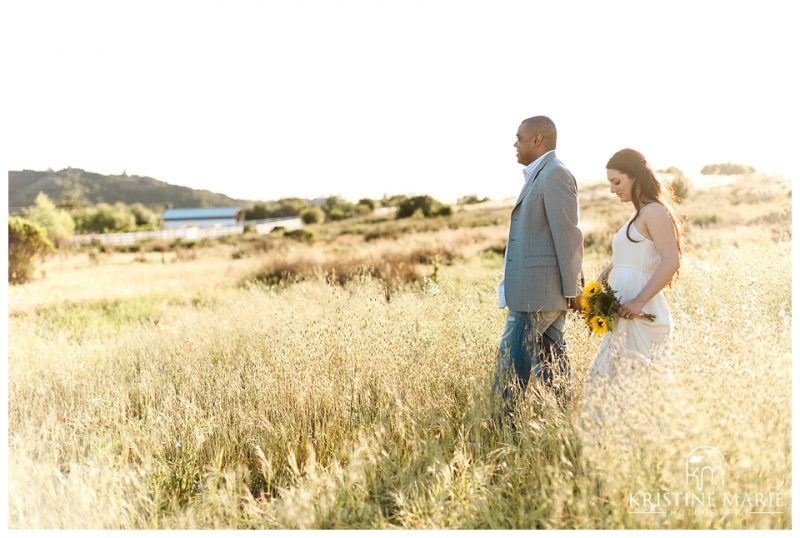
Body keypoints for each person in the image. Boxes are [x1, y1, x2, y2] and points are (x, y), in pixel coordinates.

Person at [581, 148, 684, 434]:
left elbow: (671, 260)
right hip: (623, 314)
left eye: (617, 182)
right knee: (606, 382)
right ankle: (607, 447)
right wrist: (603, 280)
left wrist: (639, 300)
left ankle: (638, 446)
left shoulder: (654, 211)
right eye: (610, 184)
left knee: (638, 387)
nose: (613, 190)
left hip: (641, 313)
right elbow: (630, 259)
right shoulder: (638, 215)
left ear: (635, 176)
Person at [492, 116, 584, 422]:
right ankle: (565, 426)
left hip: (538, 297)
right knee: (553, 365)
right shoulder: (540, 175)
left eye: (519, 138)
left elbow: (568, 235)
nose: (514, 144)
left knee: (510, 367)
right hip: (539, 292)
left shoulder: (554, 174)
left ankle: (504, 430)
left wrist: (573, 290)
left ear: (537, 140)